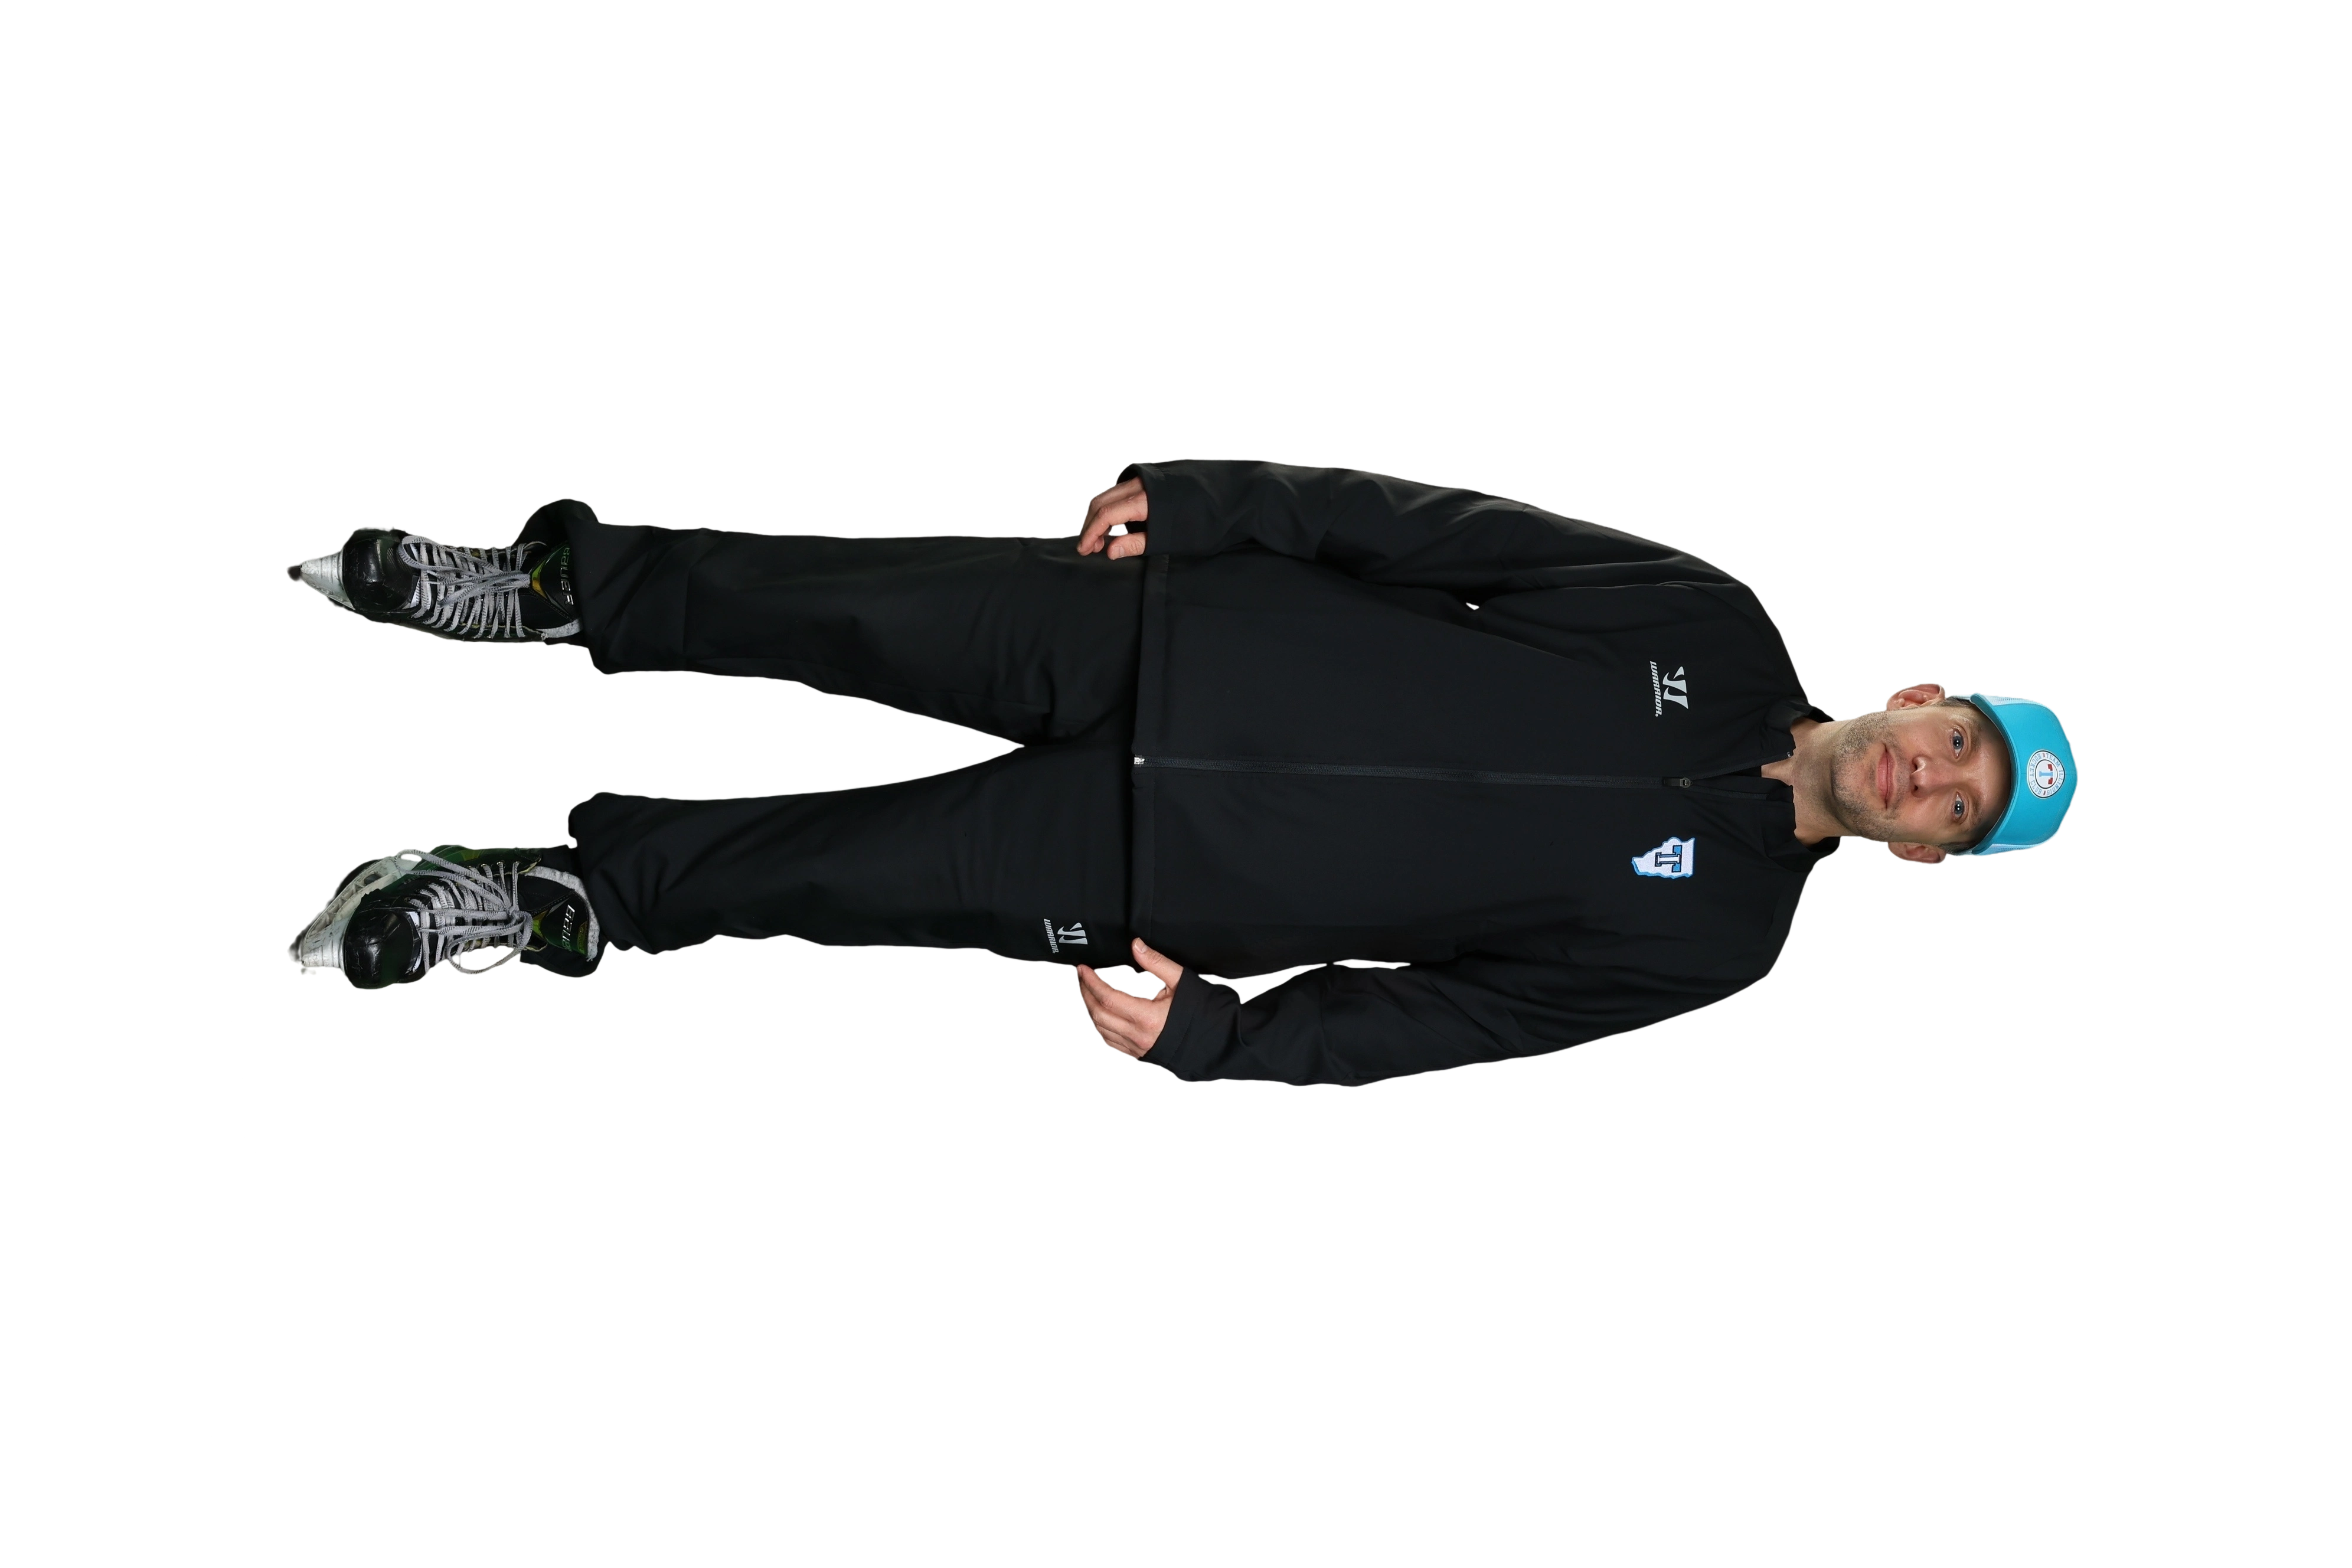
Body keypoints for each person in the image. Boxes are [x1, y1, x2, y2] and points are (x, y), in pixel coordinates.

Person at [282, 460, 2080, 1088]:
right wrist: (1221, 506)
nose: (1932, 774)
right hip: (1163, 634)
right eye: (1962, 740)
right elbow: (1444, 535)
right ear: (1926, 694)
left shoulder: (1722, 945)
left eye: (1961, 808)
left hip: (1160, 874)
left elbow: (1447, 1021)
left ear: (1928, 859)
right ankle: (554, 589)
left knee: (819, 879)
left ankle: (548, 901)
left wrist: (1222, 1036)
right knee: (822, 601)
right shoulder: (1711, 615)